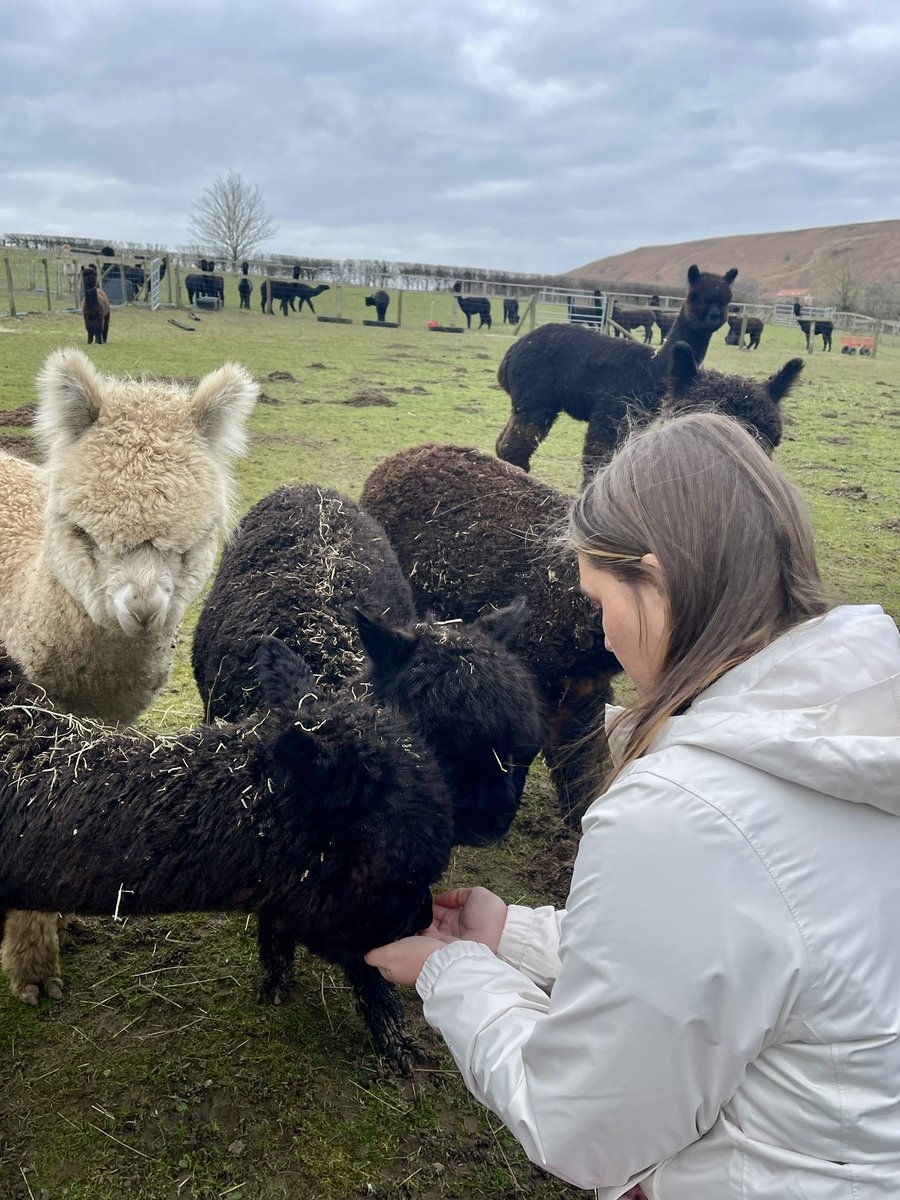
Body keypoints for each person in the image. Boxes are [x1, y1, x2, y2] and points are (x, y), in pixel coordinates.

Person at [366, 412, 900, 1198]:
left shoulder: (684, 814)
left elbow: (582, 1127)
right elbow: (750, 949)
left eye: (599, 600)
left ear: (656, 578)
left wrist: (453, 973)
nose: (607, 640)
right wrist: (513, 933)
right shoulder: (863, 723)